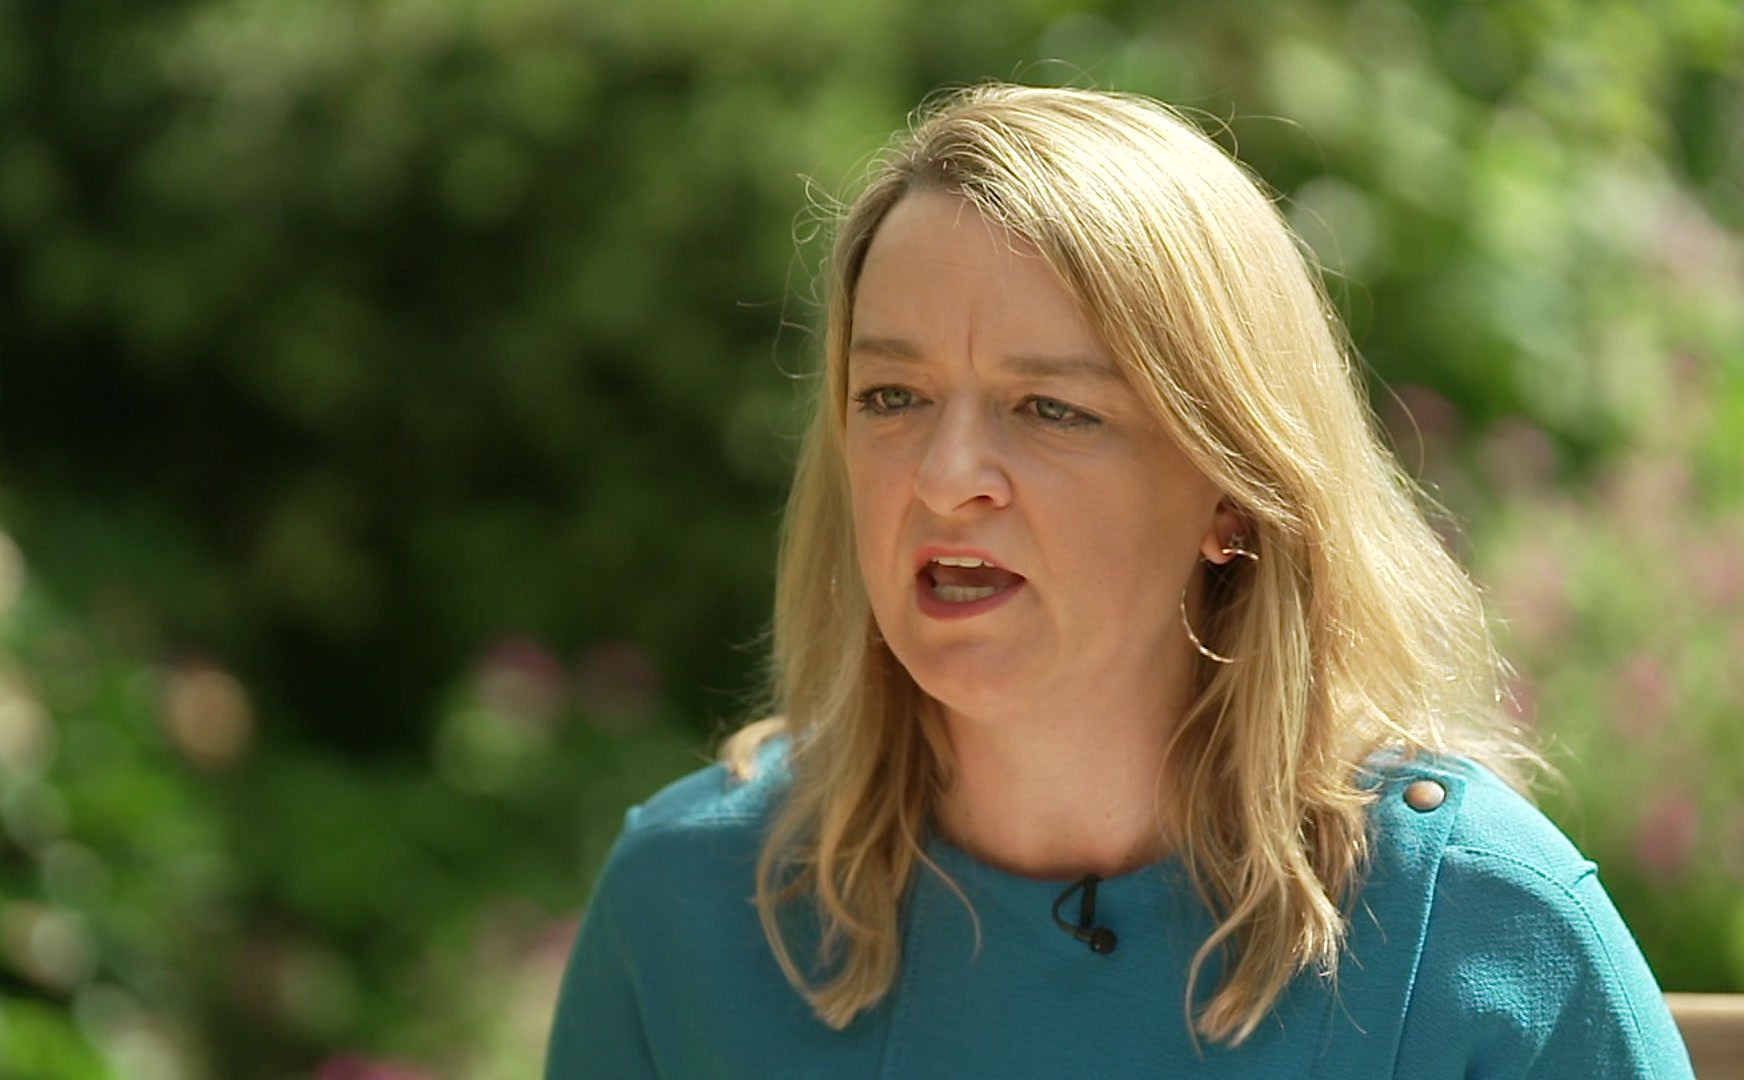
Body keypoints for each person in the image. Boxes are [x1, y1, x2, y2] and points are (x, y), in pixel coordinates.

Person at [544, 83, 1694, 1077]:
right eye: (893, 397)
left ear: (1232, 494)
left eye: (1051, 408)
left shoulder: (1481, 929)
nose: (945, 477)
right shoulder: (685, 904)